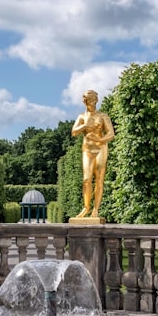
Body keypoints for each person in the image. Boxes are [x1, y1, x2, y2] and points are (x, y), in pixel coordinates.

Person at [70, 89, 115, 219]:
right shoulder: (81, 117)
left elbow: (111, 134)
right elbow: (74, 132)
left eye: (89, 100)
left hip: (101, 148)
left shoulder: (103, 116)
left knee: (99, 180)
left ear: (95, 100)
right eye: (85, 101)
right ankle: (86, 207)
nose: (87, 103)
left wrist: (99, 140)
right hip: (87, 149)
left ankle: (95, 209)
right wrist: (85, 126)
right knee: (86, 179)